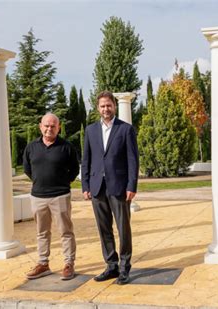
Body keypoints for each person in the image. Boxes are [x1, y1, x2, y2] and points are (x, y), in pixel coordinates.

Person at [81, 91, 139, 285]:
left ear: (114, 106)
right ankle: (111, 265)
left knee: (123, 229)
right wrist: (85, 185)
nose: (106, 109)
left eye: (109, 105)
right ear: (98, 108)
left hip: (119, 187)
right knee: (104, 228)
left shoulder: (126, 130)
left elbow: (133, 160)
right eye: (102, 106)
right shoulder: (90, 131)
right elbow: (86, 160)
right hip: (97, 187)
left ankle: (124, 268)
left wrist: (132, 185)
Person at [23, 113, 79, 280]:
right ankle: (43, 264)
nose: (49, 128)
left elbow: (74, 170)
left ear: (58, 127)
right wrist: (40, 182)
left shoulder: (67, 147)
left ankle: (69, 263)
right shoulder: (31, 147)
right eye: (46, 125)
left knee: (66, 232)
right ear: (41, 126)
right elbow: (28, 169)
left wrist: (61, 183)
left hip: (60, 196)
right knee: (42, 232)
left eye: (53, 126)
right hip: (38, 197)